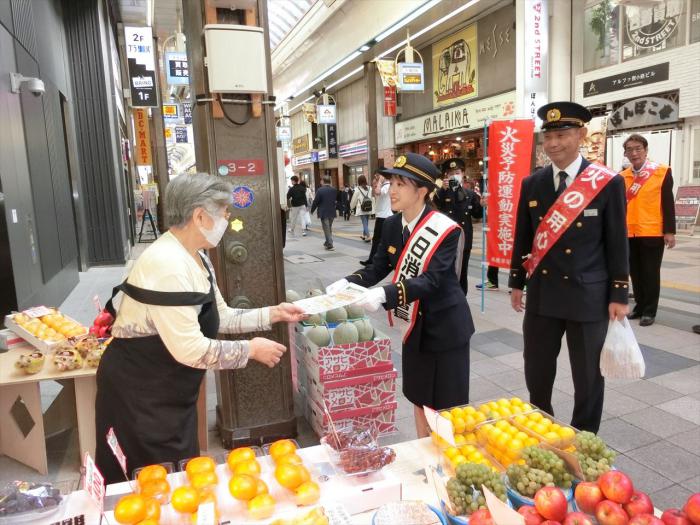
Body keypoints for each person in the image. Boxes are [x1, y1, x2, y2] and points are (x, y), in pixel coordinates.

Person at [95, 173, 306, 484]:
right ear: (199, 215)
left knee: (181, 478)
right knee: (151, 486)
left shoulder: (196, 258)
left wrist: (272, 314)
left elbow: (220, 315)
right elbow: (191, 349)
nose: (228, 218)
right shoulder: (167, 264)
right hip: (141, 396)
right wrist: (250, 350)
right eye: (224, 212)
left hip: (170, 390)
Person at [326, 153, 474, 438]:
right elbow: (377, 265)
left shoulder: (444, 229)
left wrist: (384, 295)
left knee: (447, 406)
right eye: (391, 181)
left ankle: (448, 463)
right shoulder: (392, 225)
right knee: (419, 397)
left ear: (422, 191)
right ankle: (425, 453)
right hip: (415, 330)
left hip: (446, 328)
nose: (391, 190)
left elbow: (431, 280)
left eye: (401, 184)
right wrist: (347, 282)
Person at [509, 101, 629, 434]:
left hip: (588, 295)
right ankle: (541, 425)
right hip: (543, 295)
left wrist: (619, 291)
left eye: (562, 135)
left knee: (588, 376)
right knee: (536, 369)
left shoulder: (606, 182)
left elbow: (618, 241)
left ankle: (583, 436)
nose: (553, 144)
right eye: (547, 137)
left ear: (580, 135)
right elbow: (524, 236)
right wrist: (517, 282)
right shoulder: (532, 184)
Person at [620, 133, 676, 327]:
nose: (634, 153)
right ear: (625, 154)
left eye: (638, 149)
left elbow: (668, 204)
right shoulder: (622, 177)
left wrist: (669, 231)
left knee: (650, 273)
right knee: (635, 272)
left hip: (652, 231)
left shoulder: (661, 171)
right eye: (629, 150)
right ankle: (639, 307)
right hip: (628, 232)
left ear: (645, 150)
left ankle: (649, 311)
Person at [433, 158, 483, 293]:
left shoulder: (470, 194)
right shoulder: (440, 193)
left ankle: (461, 298)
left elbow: (477, 215)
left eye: (457, 172)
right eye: (450, 173)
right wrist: (442, 190)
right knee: (444, 270)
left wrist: (483, 206)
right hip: (445, 239)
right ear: (445, 176)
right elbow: (434, 207)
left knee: (462, 271)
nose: (454, 176)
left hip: (464, 239)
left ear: (462, 174)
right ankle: (445, 296)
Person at [361, 172, 392, 266]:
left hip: (385, 217)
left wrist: (379, 182)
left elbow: (378, 192)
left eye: (377, 176)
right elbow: (374, 194)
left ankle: (376, 260)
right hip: (381, 216)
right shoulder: (383, 185)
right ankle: (374, 260)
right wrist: (377, 183)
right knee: (379, 240)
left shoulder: (387, 185)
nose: (376, 178)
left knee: (380, 240)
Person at [310, 175, 338, 250]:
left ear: (323, 181)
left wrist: (312, 210)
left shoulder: (320, 190)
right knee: (328, 228)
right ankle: (327, 242)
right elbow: (336, 200)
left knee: (326, 228)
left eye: (321, 180)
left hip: (323, 212)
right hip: (332, 212)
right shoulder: (334, 190)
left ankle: (330, 244)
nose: (320, 182)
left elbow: (316, 201)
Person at [350, 175, 374, 242]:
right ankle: (364, 235)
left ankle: (368, 236)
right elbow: (372, 198)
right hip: (369, 207)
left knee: (364, 223)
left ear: (359, 181)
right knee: (366, 222)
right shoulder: (370, 188)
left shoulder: (358, 189)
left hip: (361, 209)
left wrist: (351, 207)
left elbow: (354, 199)